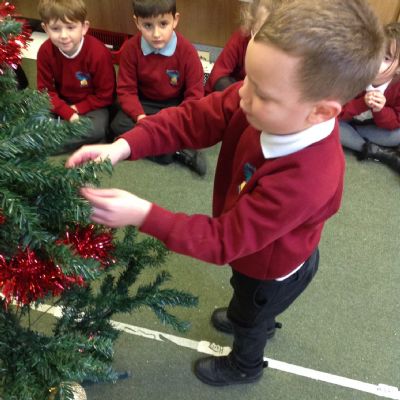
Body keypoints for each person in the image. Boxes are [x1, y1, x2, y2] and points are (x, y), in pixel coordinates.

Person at [66, 0, 383, 387]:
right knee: (242, 294)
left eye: (262, 93)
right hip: (254, 250)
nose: (241, 94)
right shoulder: (259, 101)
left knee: (252, 316)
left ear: (320, 112)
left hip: (270, 270)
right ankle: (246, 314)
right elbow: (194, 118)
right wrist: (124, 145)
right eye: (246, 78)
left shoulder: (308, 178)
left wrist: (143, 214)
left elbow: (225, 240)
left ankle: (245, 365)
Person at [110, 0, 206, 176]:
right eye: (148, 25)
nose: (156, 34)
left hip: (174, 106)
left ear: (175, 20)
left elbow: (195, 95)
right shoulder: (131, 49)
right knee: (118, 125)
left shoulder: (187, 51)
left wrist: (175, 119)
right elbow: (126, 90)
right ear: (137, 22)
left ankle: (147, 142)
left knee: (199, 124)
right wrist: (140, 117)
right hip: (144, 104)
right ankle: (174, 151)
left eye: (163, 24)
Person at [37, 0, 115, 153]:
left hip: (92, 106)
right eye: (55, 29)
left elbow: (105, 96)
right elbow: (45, 92)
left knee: (97, 128)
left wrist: (77, 109)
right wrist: (67, 112)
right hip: (61, 102)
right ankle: (53, 135)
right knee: (33, 111)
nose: (64, 36)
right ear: (45, 28)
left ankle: (43, 140)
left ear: (84, 27)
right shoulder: (45, 51)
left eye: (71, 27)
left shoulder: (99, 53)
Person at [339, 22, 400, 173]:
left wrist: (380, 110)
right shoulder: (355, 73)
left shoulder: (397, 88)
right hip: (348, 120)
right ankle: (379, 152)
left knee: (397, 134)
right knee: (328, 123)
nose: (375, 61)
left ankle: (358, 137)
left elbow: (395, 122)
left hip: (376, 126)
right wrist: (362, 103)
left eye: (386, 58)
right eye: (374, 53)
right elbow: (337, 109)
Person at [204, 0, 279, 95]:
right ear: (251, 22)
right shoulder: (242, 37)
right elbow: (217, 75)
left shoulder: (280, 54)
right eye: (258, 32)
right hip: (233, 93)